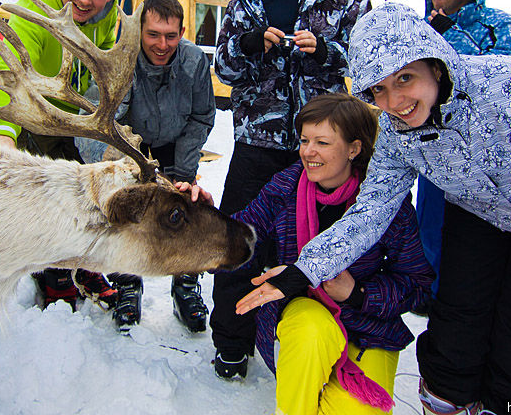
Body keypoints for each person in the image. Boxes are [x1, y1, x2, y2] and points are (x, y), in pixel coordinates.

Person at [236, 2, 511, 413]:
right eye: (379, 89)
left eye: (405, 78)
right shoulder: (394, 132)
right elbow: (371, 210)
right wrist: (305, 270)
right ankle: (448, 403)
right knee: (456, 329)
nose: (395, 101)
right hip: (475, 214)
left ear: (436, 66)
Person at [181, 93, 433, 414]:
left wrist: (357, 293)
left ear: (354, 148)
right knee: (310, 330)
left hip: (370, 329)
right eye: (304, 140)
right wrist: (202, 218)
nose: (308, 152)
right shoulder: (287, 187)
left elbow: (418, 285)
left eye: (322, 143)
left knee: (357, 411)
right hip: (304, 317)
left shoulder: (384, 203)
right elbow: (241, 238)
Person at [210, 0, 369, 378]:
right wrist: (247, 43)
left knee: (316, 246)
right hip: (257, 141)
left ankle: (313, 348)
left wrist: (327, 50)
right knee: (239, 240)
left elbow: (365, 65)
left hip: (323, 149)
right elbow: (223, 67)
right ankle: (232, 341)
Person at [0, 0, 123, 310]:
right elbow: (1, 72)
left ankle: (81, 260)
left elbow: (102, 49)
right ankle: (54, 272)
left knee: (82, 188)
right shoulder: (33, 16)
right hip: (29, 115)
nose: (87, 1)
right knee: (43, 196)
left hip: (65, 117)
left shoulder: (107, 11)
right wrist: (1, 140)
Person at [102, 0, 216, 332]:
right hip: (130, 149)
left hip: (176, 146)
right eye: (153, 34)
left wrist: (182, 171)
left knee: (187, 213)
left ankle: (184, 286)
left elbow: (201, 116)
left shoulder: (194, 61)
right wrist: (126, 165)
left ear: (182, 32)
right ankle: (127, 284)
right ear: (139, 31)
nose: (162, 44)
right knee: (124, 218)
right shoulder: (122, 58)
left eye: (170, 35)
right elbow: (107, 118)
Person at [415, 0, 511, 295]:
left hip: (481, 146)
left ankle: (464, 291)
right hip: (435, 141)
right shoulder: (425, 27)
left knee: (473, 226)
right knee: (430, 220)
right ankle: (428, 290)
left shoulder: (499, 23)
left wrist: (451, 36)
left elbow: (500, 75)